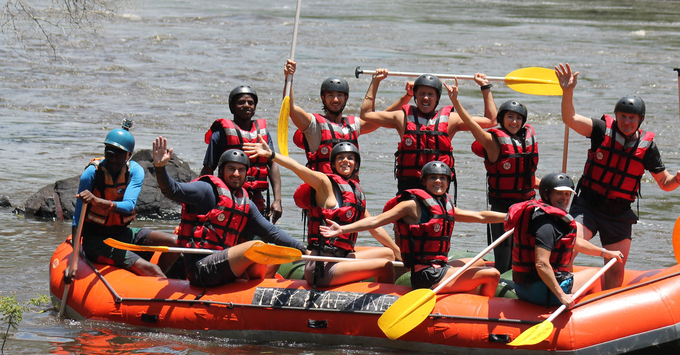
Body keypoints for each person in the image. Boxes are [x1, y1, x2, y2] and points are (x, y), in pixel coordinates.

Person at [555, 63, 680, 288]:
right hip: (588, 205)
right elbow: (570, 118)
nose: (627, 122)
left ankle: (605, 308)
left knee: (615, 266)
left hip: (618, 213)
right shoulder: (600, 130)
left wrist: (678, 179)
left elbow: (665, 183)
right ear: (616, 115)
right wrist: (568, 91)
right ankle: (562, 290)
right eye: (623, 116)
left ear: (640, 120)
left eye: (632, 118)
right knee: (568, 246)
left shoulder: (647, 148)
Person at [320, 161, 506, 297]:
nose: (438, 181)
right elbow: (377, 220)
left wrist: (510, 217)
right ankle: (481, 306)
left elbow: (481, 216)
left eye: (442, 178)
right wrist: (342, 230)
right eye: (433, 177)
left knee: (480, 262)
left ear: (448, 182)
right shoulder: (411, 205)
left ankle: (466, 291)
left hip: (440, 267)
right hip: (426, 275)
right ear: (424, 182)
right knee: (492, 274)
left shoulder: (445, 205)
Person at [152, 136, 306, 288]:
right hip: (201, 268)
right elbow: (172, 190)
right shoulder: (206, 190)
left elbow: (272, 232)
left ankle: (250, 295)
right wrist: (160, 168)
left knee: (268, 256)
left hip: (223, 265)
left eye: (241, 170)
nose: (236, 174)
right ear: (221, 171)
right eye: (231, 169)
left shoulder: (246, 203)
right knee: (255, 246)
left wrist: (304, 249)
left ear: (246, 174)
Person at [245, 138, 399, 287]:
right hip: (322, 266)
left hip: (342, 258)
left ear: (356, 164)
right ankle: (380, 306)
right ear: (333, 163)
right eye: (340, 158)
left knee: (388, 254)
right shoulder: (325, 184)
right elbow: (297, 168)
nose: (345, 160)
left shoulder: (355, 194)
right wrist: (271, 155)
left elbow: (376, 228)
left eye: (350, 158)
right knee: (385, 266)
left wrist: (400, 253)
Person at [449, 73, 539, 273]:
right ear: (502, 119)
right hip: (502, 206)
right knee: (504, 251)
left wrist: (555, 188)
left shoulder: (525, 143)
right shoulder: (492, 142)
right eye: (510, 117)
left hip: (526, 203)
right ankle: (502, 282)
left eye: (518, 118)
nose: (514, 122)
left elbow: (528, 178)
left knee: (524, 247)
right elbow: (473, 126)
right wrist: (457, 100)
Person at [359, 69, 497, 193]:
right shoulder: (401, 117)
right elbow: (366, 114)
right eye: (422, 94)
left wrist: (485, 87)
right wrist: (375, 81)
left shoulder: (451, 120)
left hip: (438, 184)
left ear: (437, 98)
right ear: (415, 96)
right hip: (409, 183)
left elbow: (491, 120)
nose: (426, 97)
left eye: (430, 94)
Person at [505, 173, 624, 307]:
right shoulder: (547, 226)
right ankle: (595, 313)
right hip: (542, 293)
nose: (565, 198)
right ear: (546, 194)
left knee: (571, 272)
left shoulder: (540, 216)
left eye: (568, 194)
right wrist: (562, 296)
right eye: (559, 194)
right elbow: (541, 264)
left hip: (524, 288)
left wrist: (605, 252)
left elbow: (576, 243)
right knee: (594, 274)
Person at [74, 122, 177, 277]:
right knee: (152, 269)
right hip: (96, 241)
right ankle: (155, 278)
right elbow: (77, 219)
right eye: (109, 154)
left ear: (129, 155)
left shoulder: (135, 171)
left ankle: (155, 283)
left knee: (175, 242)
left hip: (122, 233)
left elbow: (129, 206)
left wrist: (96, 201)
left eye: (119, 155)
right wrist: (74, 261)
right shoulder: (91, 174)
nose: (113, 159)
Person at [201, 85, 282, 223]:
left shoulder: (263, 134)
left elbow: (272, 165)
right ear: (232, 107)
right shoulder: (220, 134)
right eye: (241, 102)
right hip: (228, 197)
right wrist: (203, 198)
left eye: (251, 103)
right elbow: (208, 169)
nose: (246, 105)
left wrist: (277, 200)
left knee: (259, 240)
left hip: (256, 199)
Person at [285, 60, 382, 174]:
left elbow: (378, 118)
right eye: (331, 95)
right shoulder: (313, 125)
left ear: (346, 98)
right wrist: (289, 78)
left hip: (348, 188)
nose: (335, 99)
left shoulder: (353, 125)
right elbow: (289, 108)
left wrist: (376, 82)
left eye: (339, 95)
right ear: (323, 98)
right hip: (323, 188)